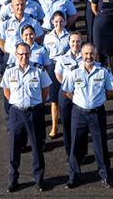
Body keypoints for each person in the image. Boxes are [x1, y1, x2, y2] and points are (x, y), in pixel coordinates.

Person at [62, 43, 113, 189]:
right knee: (75, 145)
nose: (88, 56)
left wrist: (98, 99)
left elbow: (112, 90)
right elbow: (67, 91)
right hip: (78, 113)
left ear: (96, 55)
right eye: (86, 54)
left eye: (91, 54)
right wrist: (80, 101)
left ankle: (105, 175)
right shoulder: (74, 72)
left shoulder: (103, 71)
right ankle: (74, 176)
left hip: (97, 113)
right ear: (81, 54)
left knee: (100, 145)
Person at [0, 42, 52, 193]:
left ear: (30, 54)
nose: (24, 57)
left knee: (36, 147)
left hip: (33, 112)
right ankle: (13, 179)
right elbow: (6, 91)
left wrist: (35, 104)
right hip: (16, 112)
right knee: (14, 147)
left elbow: (45, 90)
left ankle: (39, 179)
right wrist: (17, 104)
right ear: (16, 55)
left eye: (27, 54)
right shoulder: (10, 71)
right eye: (21, 54)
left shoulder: (38, 69)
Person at [0, 0, 43, 75]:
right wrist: (8, 52)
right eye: (17, 5)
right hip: (10, 56)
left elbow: (38, 38)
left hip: (27, 57)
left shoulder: (33, 21)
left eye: (22, 4)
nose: (20, 7)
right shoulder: (6, 22)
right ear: (12, 6)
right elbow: (0, 40)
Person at [55, 32, 83, 160]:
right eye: (73, 41)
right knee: (66, 124)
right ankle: (69, 154)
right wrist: (68, 87)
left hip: (82, 94)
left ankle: (81, 152)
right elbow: (58, 75)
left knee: (81, 125)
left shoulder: (86, 57)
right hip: (66, 94)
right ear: (69, 42)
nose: (75, 44)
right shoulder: (62, 58)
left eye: (78, 41)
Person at [43, 11, 70, 139]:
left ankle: (67, 124)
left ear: (65, 21)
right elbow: (45, 54)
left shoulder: (69, 36)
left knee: (67, 96)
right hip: (53, 66)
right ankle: (54, 125)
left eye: (61, 21)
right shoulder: (48, 37)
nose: (59, 24)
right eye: (56, 21)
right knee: (54, 99)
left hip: (65, 67)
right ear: (52, 22)